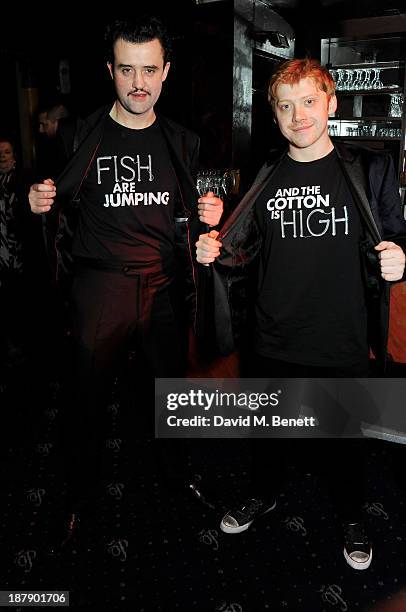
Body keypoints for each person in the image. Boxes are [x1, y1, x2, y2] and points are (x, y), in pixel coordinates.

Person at [196, 58, 406, 570]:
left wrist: (400, 255)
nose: (299, 115)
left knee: (344, 440)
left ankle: (352, 514)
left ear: (330, 104)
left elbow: (398, 233)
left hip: (341, 333)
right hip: (272, 333)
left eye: (309, 102)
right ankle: (263, 493)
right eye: (286, 106)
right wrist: (212, 249)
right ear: (274, 114)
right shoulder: (265, 174)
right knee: (268, 432)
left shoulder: (368, 169)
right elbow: (242, 249)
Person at [28, 15, 223, 548]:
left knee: (170, 396)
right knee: (85, 399)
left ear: (165, 73)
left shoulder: (184, 141)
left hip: (162, 289)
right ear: (110, 71)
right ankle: (79, 496)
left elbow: (196, 214)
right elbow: (51, 202)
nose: (139, 82)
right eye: (127, 69)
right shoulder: (76, 134)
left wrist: (212, 212)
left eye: (150, 69)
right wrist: (33, 203)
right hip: (99, 289)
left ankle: (176, 477)